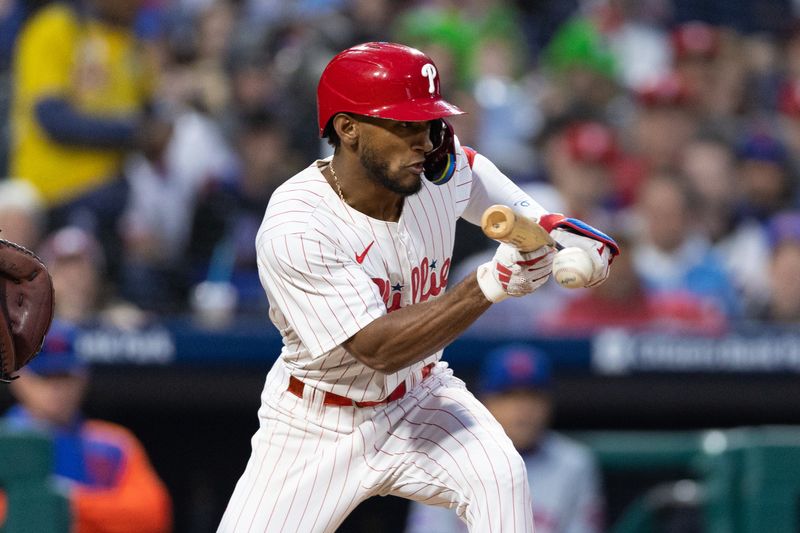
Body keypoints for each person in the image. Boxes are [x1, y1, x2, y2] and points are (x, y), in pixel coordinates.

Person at [217, 42, 618, 533]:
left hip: (419, 396)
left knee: (502, 476)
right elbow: (378, 348)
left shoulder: (430, 169)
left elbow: (470, 170)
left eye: (429, 122)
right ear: (347, 129)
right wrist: (490, 283)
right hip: (317, 419)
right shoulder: (298, 227)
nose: (424, 141)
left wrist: (554, 227)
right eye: (404, 125)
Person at [9, 0, 171, 277]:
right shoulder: (55, 26)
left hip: (117, 189)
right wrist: (132, 132)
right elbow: (52, 119)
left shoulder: (132, 42)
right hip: (54, 191)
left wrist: (157, 129)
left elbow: (151, 115)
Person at [405, 344, 604, 533]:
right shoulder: (445, 460)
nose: (522, 408)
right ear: (485, 402)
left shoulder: (574, 464)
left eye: (532, 395)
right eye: (509, 395)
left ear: (548, 404)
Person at [2, 319, 172, 533]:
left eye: (65, 376)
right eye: (45, 377)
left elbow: (152, 515)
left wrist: (70, 501)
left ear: (82, 379)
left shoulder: (113, 443)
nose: (57, 388)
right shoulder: (4, 442)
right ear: (19, 379)